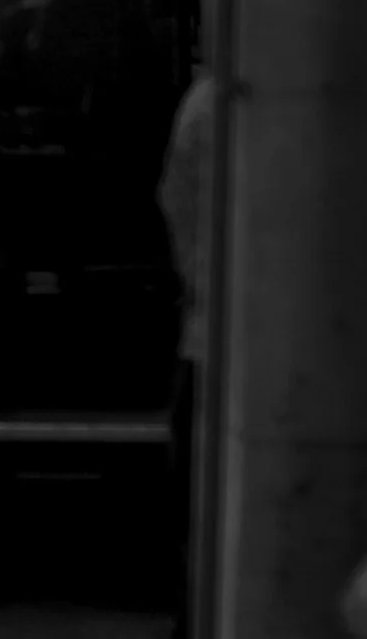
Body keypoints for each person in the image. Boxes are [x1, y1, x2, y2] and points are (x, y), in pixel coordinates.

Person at [158, 63, 215, 637]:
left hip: (209, 340)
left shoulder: (209, 104)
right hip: (219, 333)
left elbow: (176, 204)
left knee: (192, 503)